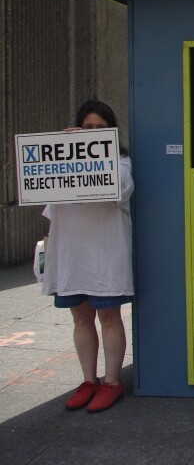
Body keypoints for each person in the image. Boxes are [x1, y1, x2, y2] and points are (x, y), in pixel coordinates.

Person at [41, 100, 134, 413]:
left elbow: (120, 191)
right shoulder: (60, 160)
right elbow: (46, 200)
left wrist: (96, 152)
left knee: (108, 316)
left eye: (99, 128)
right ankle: (87, 380)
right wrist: (65, 150)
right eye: (87, 128)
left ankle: (112, 382)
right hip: (71, 254)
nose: (92, 133)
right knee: (80, 318)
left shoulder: (121, 162)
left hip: (105, 254)